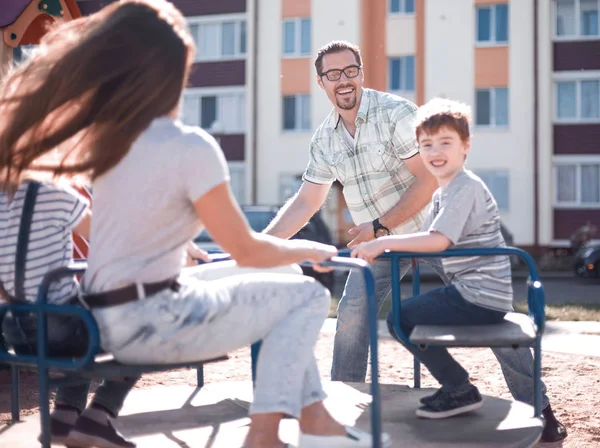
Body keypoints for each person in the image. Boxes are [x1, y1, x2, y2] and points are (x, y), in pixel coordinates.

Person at [0, 2, 390, 447]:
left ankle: (316, 417)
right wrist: (313, 251)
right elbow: (247, 249)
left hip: (102, 318)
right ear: (173, 74)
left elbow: (137, 226)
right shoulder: (190, 146)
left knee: (273, 275)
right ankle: (265, 435)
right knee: (302, 294)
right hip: (153, 322)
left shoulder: (106, 142)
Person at [264, 41, 567, 441]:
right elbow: (307, 200)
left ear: (361, 72)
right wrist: (259, 244)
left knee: (492, 314)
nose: (344, 80)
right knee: (351, 319)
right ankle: (339, 407)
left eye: (350, 70)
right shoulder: (325, 139)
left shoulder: (394, 114)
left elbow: (426, 180)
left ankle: (538, 408)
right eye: (333, 74)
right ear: (320, 82)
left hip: (435, 233)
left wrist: (380, 228)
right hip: (381, 243)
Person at [0, 179, 139, 448]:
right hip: (60, 330)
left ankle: (64, 417)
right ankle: (100, 415)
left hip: (15, 330)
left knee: (79, 312)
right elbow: (110, 235)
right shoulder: (55, 193)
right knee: (143, 325)